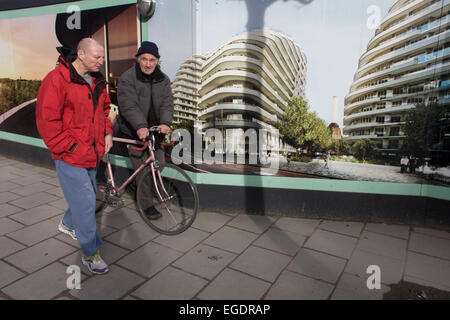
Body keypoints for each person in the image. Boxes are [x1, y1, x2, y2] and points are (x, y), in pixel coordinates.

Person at [36, 38, 113, 275]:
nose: (101, 61)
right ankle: (91, 253)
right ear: (80, 54)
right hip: (70, 155)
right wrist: (70, 147)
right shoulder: (57, 79)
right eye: (96, 57)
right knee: (87, 201)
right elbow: (47, 122)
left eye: (102, 57)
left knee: (85, 196)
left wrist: (107, 133)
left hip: (92, 153)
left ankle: (68, 224)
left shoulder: (98, 80)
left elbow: (105, 110)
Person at [117, 41, 174, 219]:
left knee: (159, 164)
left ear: (157, 60)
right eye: (144, 59)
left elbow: (167, 103)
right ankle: (146, 205)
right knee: (143, 171)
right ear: (138, 59)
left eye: (152, 60)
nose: (148, 64)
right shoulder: (128, 78)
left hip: (155, 132)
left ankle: (145, 187)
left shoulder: (163, 79)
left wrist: (165, 122)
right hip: (134, 131)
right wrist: (140, 126)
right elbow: (128, 105)